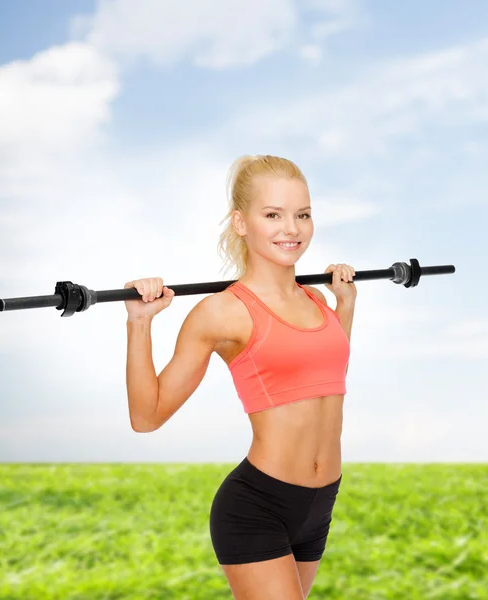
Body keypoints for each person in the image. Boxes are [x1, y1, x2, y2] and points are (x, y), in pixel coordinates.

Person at [124, 154, 357, 599]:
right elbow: (146, 415)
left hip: (320, 505)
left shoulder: (317, 302)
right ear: (241, 222)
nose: (291, 228)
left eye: (302, 215)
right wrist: (140, 323)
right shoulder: (222, 313)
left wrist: (344, 305)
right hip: (258, 507)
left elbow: (327, 379)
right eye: (273, 215)